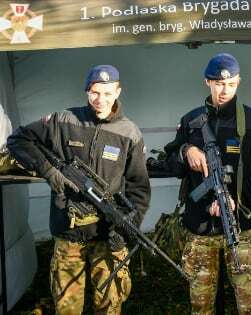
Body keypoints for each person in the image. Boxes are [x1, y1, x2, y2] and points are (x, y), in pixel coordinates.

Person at [7, 65, 151, 314]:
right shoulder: (64, 120)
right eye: (95, 92)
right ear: (87, 91)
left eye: (107, 93)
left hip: (107, 236)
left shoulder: (130, 133)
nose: (100, 100)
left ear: (118, 92)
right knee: (67, 308)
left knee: (108, 307)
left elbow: (139, 188)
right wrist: (49, 172)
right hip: (68, 234)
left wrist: (128, 227)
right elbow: (19, 139)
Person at [165, 52, 251, 315]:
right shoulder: (191, 120)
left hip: (244, 231)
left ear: (238, 82)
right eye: (218, 83)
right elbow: (170, 163)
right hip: (202, 230)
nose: (224, 90)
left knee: (249, 307)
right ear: (207, 82)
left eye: (230, 84)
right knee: (201, 307)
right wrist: (185, 151)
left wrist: (236, 200)